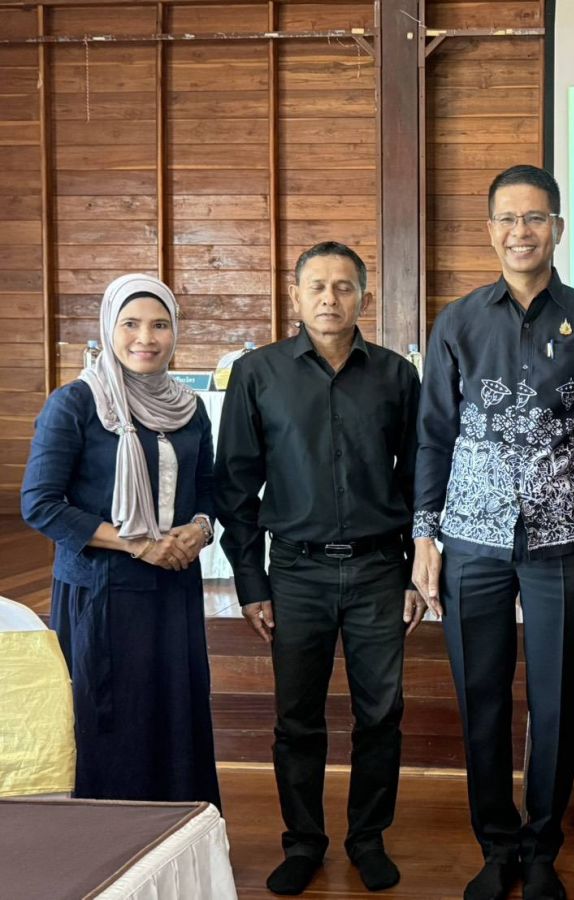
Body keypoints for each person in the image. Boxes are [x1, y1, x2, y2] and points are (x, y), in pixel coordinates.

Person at [411, 164, 574, 900]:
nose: (522, 231)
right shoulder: (457, 322)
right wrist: (424, 537)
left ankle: (542, 845)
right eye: (508, 219)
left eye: (536, 218)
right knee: (480, 698)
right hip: (471, 541)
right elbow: (432, 436)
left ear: (558, 229)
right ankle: (496, 845)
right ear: (490, 232)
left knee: (556, 700)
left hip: (566, 540)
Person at [214, 242, 422, 895]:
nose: (330, 299)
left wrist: (414, 572)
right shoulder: (258, 373)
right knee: (296, 720)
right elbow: (235, 487)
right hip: (295, 573)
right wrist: (251, 583)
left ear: (365, 297)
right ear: (296, 297)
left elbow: (418, 479)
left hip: (378, 570)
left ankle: (368, 839)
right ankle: (304, 842)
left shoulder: (396, 376)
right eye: (317, 287)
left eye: (344, 287)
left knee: (380, 716)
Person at [21, 273, 220, 808]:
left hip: (173, 587)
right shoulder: (76, 403)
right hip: (102, 592)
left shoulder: (189, 407)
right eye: (130, 324)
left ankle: (176, 837)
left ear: (175, 332)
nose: (145, 338)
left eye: (159, 325)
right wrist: (138, 544)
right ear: (108, 328)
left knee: (176, 714)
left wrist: (199, 529)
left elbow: (208, 489)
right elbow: (40, 503)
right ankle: (113, 844)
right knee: (111, 722)